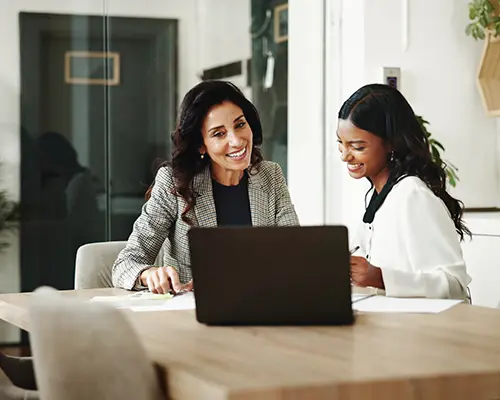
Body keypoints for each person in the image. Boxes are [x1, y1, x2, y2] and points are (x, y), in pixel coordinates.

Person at [112, 80, 299, 293]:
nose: (237, 141)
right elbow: (125, 264)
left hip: (260, 308)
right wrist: (149, 274)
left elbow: (294, 253)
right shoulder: (174, 184)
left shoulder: (269, 175)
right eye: (219, 134)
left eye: (239, 125)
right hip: (193, 316)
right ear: (201, 144)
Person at [337, 83, 471, 300]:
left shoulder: (413, 196)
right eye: (341, 144)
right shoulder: (377, 196)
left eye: (358, 147)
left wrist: (380, 277)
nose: (345, 155)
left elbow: (454, 285)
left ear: (391, 143)